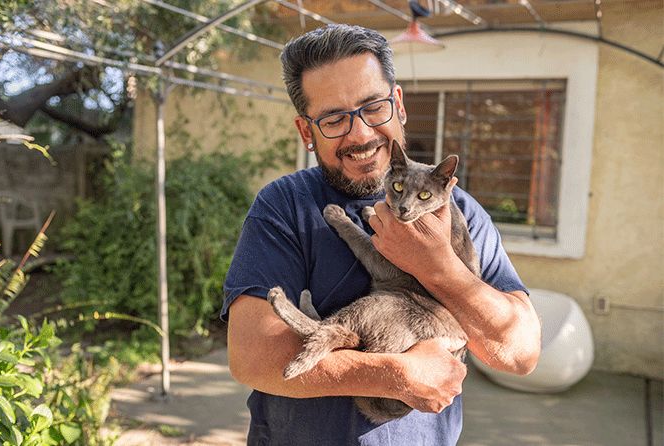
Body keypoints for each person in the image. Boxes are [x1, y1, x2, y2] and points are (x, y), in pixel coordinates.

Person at [222, 24, 540, 446]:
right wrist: (394, 372)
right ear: (306, 133)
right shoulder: (285, 206)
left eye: (373, 108)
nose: (361, 134)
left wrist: (440, 268)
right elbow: (252, 357)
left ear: (398, 104)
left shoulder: (462, 212)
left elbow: (519, 353)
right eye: (334, 119)